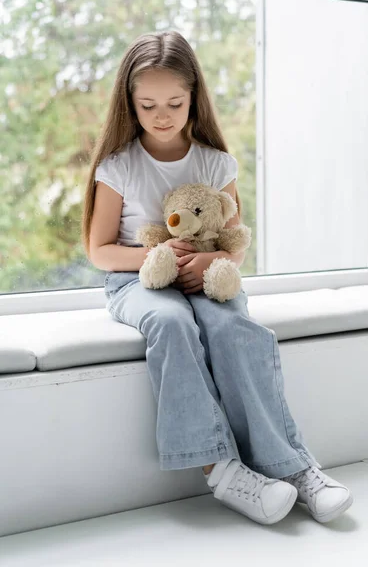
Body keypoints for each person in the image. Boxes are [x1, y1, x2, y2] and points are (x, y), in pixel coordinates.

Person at [82, 30, 353, 526]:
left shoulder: (214, 161)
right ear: (129, 104)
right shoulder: (118, 167)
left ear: (194, 98)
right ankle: (224, 473)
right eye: (147, 105)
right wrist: (156, 251)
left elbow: (234, 241)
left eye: (174, 102)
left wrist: (209, 264)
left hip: (204, 276)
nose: (161, 115)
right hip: (137, 282)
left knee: (233, 328)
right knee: (172, 324)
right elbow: (99, 251)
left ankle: (293, 467)